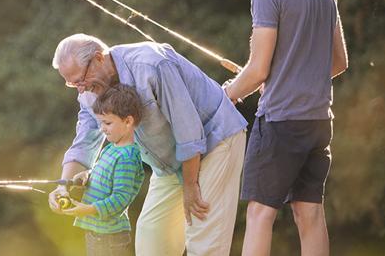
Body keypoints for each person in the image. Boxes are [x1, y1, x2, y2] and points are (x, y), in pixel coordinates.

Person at [48, 33, 248, 255]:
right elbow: (86, 137)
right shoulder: (90, 91)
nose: (80, 88)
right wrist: (63, 185)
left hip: (215, 141)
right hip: (171, 162)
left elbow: (188, 129)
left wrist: (190, 185)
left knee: (203, 239)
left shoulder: (151, 64)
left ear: (98, 58)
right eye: (72, 83)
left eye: (80, 79)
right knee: (151, 238)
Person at [223, 0, 349, 256]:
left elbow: (258, 70)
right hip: (320, 121)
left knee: (259, 213)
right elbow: (340, 62)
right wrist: (292, 79)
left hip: (280, 122)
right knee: (310, 212)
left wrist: (226, 95)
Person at [59, 84, 145, 256]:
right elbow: (104, 174)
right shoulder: (111, 148)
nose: (102, 128)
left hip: (110, 237)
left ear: (128, 121)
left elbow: (120, 198)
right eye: (100, 123)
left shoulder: (127, 157)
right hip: (97, 232)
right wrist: (87, 175)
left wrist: (89, 209)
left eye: (107, 123)